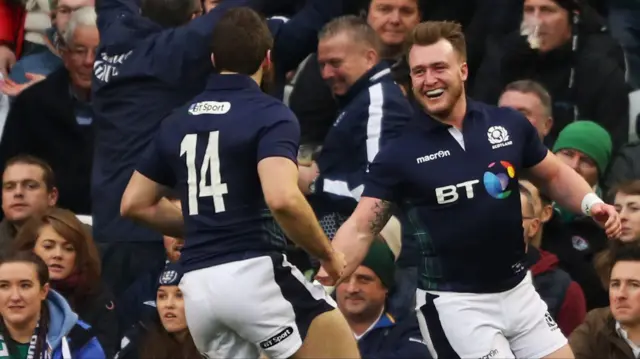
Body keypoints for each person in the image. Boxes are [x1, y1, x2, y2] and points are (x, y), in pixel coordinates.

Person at [318, 20, 622, 359]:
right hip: (456, 305)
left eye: (438, 68)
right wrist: (325, 275)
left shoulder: (507, 125)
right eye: (419, 72)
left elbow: (553, 175)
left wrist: (592, 203)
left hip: (520, 293)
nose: (428, 80)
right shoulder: (399, 153)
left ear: (463, 70)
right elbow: (362, 227)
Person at [120, 7, 360, 359]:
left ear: (214, 58)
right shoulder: (270, 113)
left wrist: (206, 223)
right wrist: (329, 254)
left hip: (197, 289)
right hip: (254, 274)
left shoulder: (177, 120)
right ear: (266, 59)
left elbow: (133, 203)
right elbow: (282, 199)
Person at [12, 208, 118, 357]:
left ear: (80, 255)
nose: (58, 255)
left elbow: (105, 350)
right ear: (30, 250)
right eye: (48, 246)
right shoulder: (8, 291)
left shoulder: (98, 297)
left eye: (68, 249)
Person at [0, 250, 105, 358]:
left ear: (43, 291)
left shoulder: (80, 339)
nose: (15, 297)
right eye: (4, 286)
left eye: (25, 286)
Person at [115, 262, 200, 359]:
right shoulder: (139, 342)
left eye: (179, 295)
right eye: (162, 296)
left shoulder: (216, 346)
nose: (168, 305)